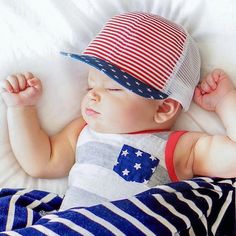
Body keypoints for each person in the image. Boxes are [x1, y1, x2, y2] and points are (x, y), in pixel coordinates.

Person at [0, 12, 236, 210]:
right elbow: (41, 163)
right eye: (90, 85)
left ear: (163, 108)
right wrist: (21, 109)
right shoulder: (83, 130)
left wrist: (225, 102)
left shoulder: (182, 148)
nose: (92, 95)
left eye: (113, 88)